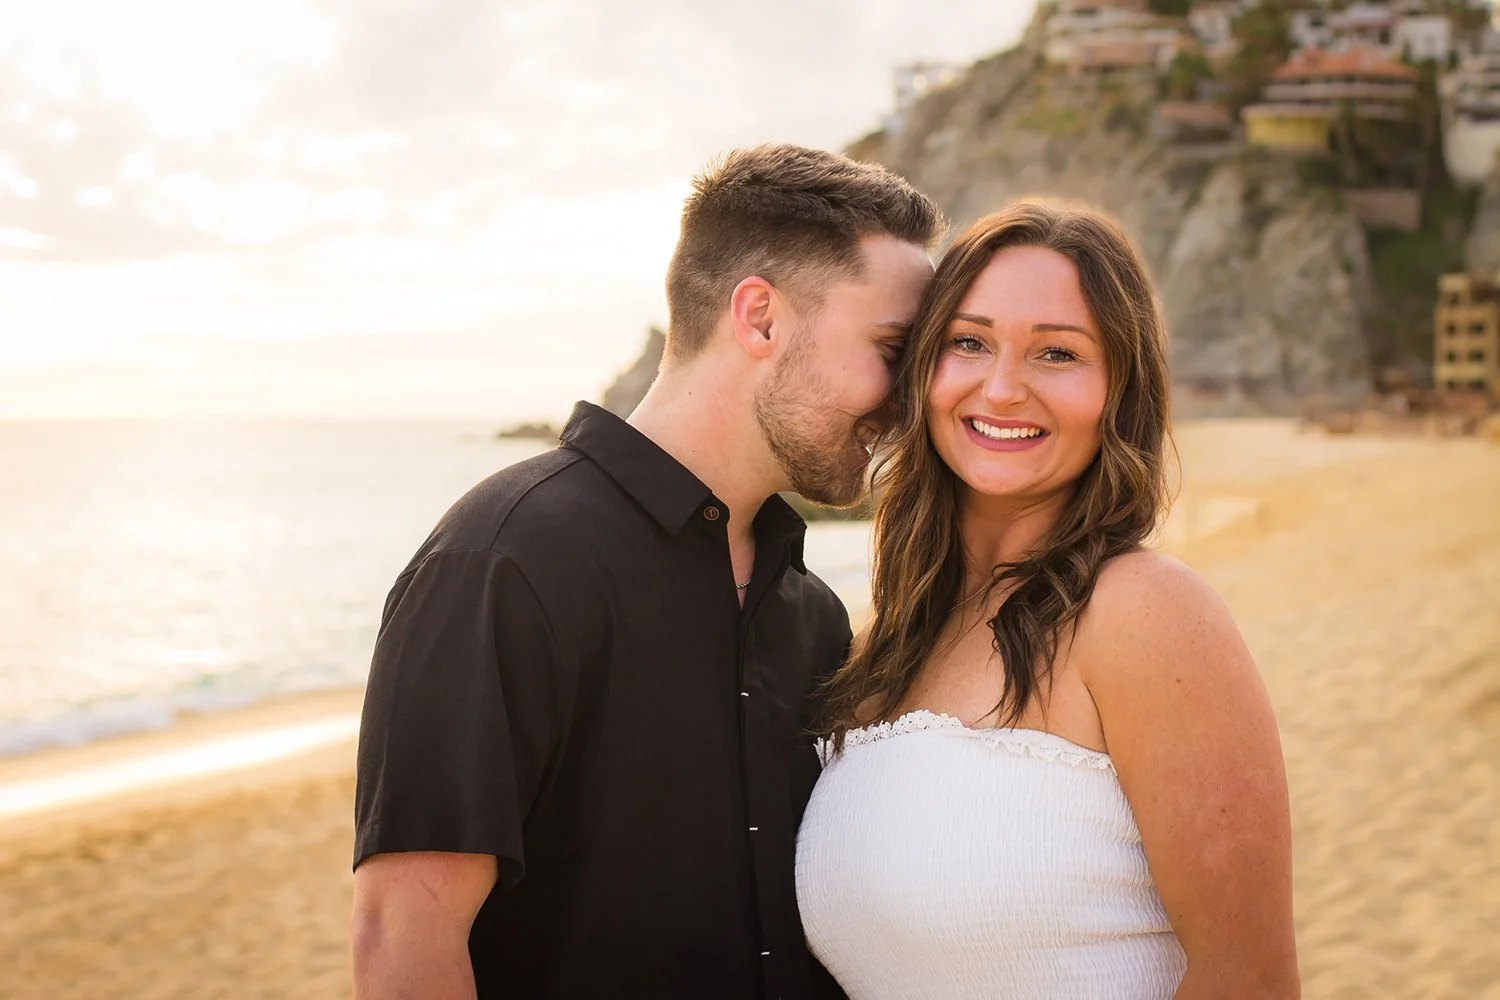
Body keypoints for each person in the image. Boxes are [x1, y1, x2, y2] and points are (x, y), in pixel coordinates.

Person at [350, 143, 940, 999]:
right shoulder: (503, 560)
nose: (911, 400)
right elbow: (403, 938)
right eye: (892, 349)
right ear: (761, 319)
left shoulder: (809, 612)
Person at [796, 202, 1299, 999]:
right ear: (923, 370)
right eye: (969, 342)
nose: (1002, 389)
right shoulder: (883, 644)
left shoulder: (1146, 614)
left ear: (1118, 390)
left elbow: (1251, 981)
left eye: (1057, 353)